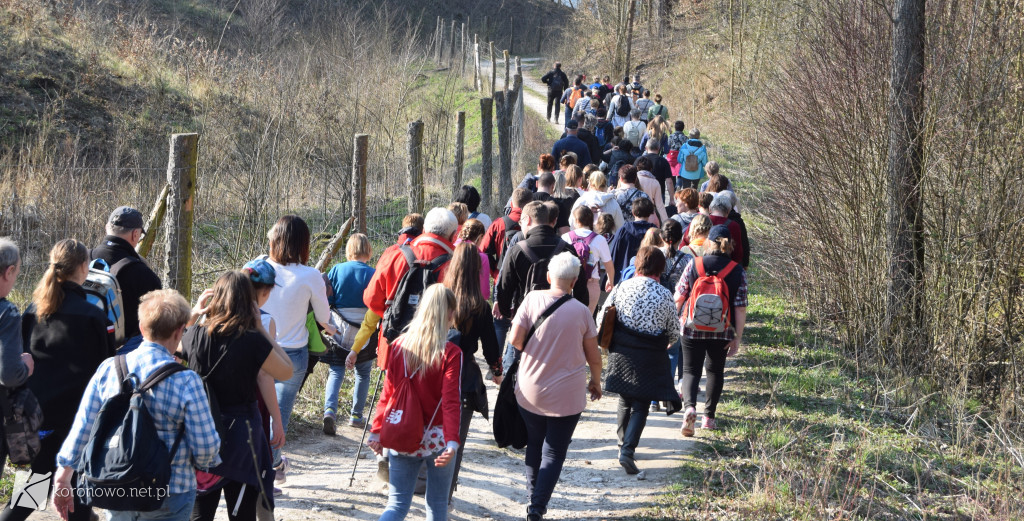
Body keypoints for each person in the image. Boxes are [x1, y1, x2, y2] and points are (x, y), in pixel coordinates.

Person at [53, 289, 220, 521]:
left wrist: (63, 476)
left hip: (117, 484)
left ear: (141, 328)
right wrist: (205, 461)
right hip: (170, 489)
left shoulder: (109, 369)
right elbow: (205, 447)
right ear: (180, 331)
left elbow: (83, 427)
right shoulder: (186, 380)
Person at [8, 240, 113, 521]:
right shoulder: (94, 316)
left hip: (39, 419)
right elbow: (106, 372)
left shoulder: (33, 312)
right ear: (84, 267)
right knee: (78, 501)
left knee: (29, 495)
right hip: (78, 423)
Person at [183, 270, 294, 521]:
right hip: (243, 440)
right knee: (242, 514)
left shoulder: (196, 336)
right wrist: (261, 330)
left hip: (203, 434)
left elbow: (167, 343)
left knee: (199, 512)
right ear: (248, 301)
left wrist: (194, 314)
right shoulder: (252, 340)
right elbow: (287, 370)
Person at [509, 252, 602, 521]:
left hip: (530, 390)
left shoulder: (531, 299)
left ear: (549, 277)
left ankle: (532, 497)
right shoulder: (582, 312)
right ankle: (537, 507)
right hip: (568, 396)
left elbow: (515, 339)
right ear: (574, 282)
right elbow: (594, 356)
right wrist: (595, 382)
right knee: (554, 450)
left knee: (535, 444)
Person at [367, 285, 462, 521]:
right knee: (437, 506)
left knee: (397, 504)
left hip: (402, 433)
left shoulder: (398, 346)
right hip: (437, 437)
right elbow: (451, 401)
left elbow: (387, 393)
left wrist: (377, 432)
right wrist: (452, 442)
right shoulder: (451, 353)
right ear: (449, 314)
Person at [261, 215, 335, 482]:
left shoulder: (255, 267)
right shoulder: (311, 275)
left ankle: (260, 467)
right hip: (292, 355)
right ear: (303, 243)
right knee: (279, 414)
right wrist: (331, 328)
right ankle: (273, 466)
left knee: (255, 410)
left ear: (274, 239)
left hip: (257, 350)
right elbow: (325, 317)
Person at [597, 246, 680, 474]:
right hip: (650, 356)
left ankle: (620, 444)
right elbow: (674, 332)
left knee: (625, 399)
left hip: (621, 352)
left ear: (638, 264)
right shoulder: (664, 294)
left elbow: (602, 318)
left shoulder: (622, 288)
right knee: (641, 404)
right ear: (660, 269)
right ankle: (627, 451)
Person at [441, 244, 502, 503]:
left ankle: (423, 484)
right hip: (463, 378)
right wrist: (497, 371)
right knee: (456, 439)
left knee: (430, 432)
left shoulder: (438, 297)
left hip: (435, 371)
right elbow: (491, 347)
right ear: (477, 271)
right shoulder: (480, 306)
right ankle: (445, 493)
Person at [496, 202, 589, 370]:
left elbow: (504, 290)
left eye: (521, 223)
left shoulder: (517, 250)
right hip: (562, 323)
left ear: (528, 220)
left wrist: (509, 314)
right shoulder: (567, 249)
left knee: (522, 374)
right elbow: (582, 290)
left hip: (526, 324)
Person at [675, 226, 748, 436]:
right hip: (722, 328)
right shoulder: (737, 270)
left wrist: (673, 322)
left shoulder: (694, 264)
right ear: (730, 245)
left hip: (691, 327)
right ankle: (709, 417)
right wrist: (737, 337)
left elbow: (679, 296)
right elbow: (740, 307)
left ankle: (689, 407)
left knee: (690, 371)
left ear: (708, 242)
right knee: (715, 370)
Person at [320, 234, 377, 432]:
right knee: (363, 372)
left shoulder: (336, 269)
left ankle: (329, 411)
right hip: (365, 329)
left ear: (348, 250)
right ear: (368, 251)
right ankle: (356, 415)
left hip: (338, 327)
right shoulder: (373, 273)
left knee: (336, 370)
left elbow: (327, 297)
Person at [91, 206, 162, 347]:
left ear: (107, 228)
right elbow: (155, 324)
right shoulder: (144, 274)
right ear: (135, 234)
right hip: (123, 357)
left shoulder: (82, 261)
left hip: (84, 348)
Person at [562, 206, 614, 313]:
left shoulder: (566, 237)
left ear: (576, 220)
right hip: (591, 283)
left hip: (569, 283)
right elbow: (608, 265)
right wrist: (610, 281)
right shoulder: (599, 239)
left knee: (569, 318)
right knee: (587, 319)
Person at [0, 238, 32, 392]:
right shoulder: (7, 313)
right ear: (9, 272)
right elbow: (10, 376)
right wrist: (25, 367)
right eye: (16, 274)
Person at [482, 188, 533, 280]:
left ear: (512, 204)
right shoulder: (537, 222)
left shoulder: (499, 223)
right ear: (531, 203)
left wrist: (495, 271)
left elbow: (483, 250)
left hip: (503, 278)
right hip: (530, 279)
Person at [683, 193, 744, 264]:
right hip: (723, 266)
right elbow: (737, 254)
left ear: (709, 209)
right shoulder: (734, 226)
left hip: (695, 264)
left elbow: (685, 241)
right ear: (728, 211)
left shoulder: (700, 220)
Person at [609, 198, 657, 283]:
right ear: (650, 213)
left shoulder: (623, 230)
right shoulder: (654, 231)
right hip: (649, 277)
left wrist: (609, 277)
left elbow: (614, 253)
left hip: (625, 276)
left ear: (633, 212)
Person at [454, 219, 491, 300]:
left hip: (451, 302)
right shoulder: (482, 258)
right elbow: (484, 293)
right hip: (473, 304)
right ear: (480, 237)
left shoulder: (452, 250)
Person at [634, 158, 669, 224]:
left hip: (635, 212)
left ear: (637, 168)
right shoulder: (655, 182)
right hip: (649, 214)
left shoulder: (633, 179)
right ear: (651, 169)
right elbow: (659, 205)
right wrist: (666, 221)